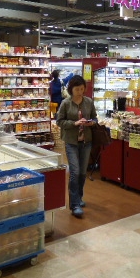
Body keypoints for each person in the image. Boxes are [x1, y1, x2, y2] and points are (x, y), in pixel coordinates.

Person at [56, 75, 97, 218]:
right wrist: (74, 123)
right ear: (71, 89)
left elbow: (95, 117)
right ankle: (74, 205)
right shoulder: (65, 103)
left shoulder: (89, 102)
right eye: (77, 89)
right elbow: (59, 121)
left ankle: (78, 198)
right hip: (71, 142)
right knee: (75, 172)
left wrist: (92, 122)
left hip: (86, 142)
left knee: (83, 173)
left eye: (82, 89)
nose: (80, 92)